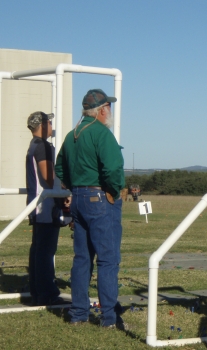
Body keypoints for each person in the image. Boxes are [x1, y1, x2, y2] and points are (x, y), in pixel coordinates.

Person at [55, 89, 125, 329]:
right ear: (102, 110)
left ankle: (78, 314)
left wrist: (73, 187)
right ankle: (108, 318)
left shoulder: (70, 135)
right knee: (107, 259)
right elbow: (114, 169)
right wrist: (113, 191)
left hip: (77, 197)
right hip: (99, 197)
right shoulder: (101, 133)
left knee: (82, 258)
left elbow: (60, 168)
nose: (110, 112)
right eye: (109, 107)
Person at [26, 111, 67, 306]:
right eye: (49, 123)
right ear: (42, 125)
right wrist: (65, 190)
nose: (52, 126)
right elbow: (48, 177)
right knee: (45, 250)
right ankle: (46, 293)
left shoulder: (34, 145)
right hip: (45, 205)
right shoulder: (42, 146)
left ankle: (37, 291)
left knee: (39, 249)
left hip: (38, 204)